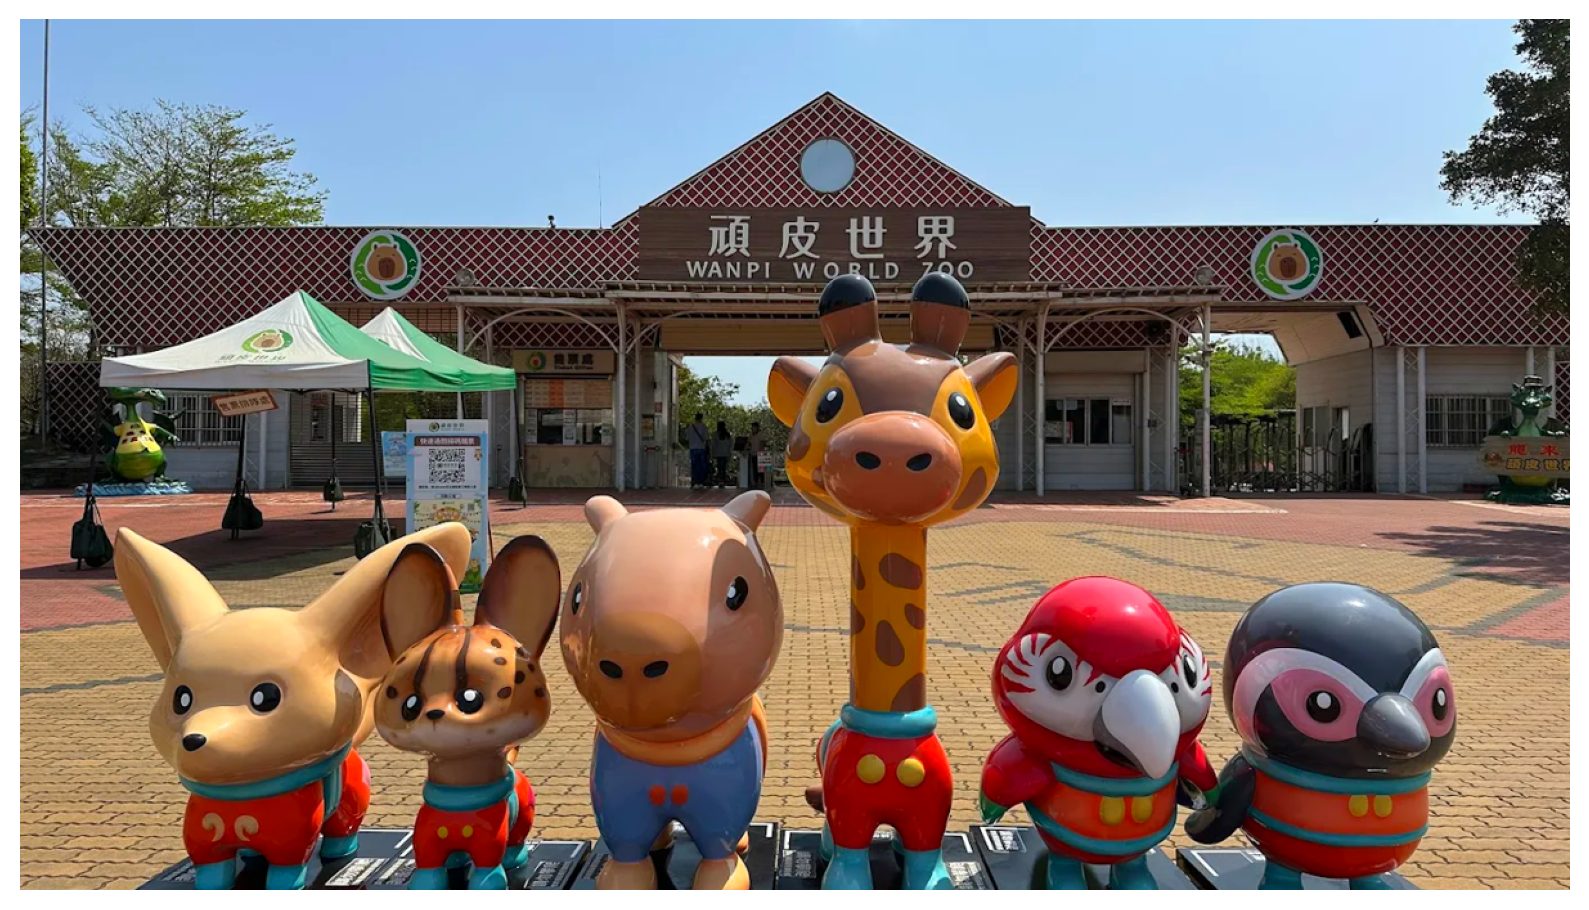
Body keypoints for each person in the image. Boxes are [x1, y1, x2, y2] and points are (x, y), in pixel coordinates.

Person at [686, 413, 710, 490]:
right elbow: (706, 438)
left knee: (694, 465)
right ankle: (701, 482)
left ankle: (694, 481)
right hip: (701, 448)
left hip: (693, 448)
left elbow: (687, 438)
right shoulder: (704, 427)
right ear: (701, 418)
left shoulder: (690, 427)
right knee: (702, 466)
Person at [710, 420, 733, 488]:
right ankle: (723, 480)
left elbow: (713, 445)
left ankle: (720, 481)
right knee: (724, 468)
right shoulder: (728, 435)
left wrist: (712, 454)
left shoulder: (715, 434)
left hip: (718, 453)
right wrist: (729, 452)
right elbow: (731, 444)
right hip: (726, 453)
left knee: (719, 468)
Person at [746, 421, 766, 490]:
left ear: (757, 427)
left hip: (760, 454)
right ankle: (756, 483)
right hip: (753, 454)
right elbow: (748, 443)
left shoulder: (760, 434)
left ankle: (762, 483)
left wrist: (760, 453)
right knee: (755, 470)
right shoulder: (751, 435)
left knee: (761, 470)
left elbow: (762, 443)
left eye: (754, 427)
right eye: (752, 427)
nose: (752, 428)